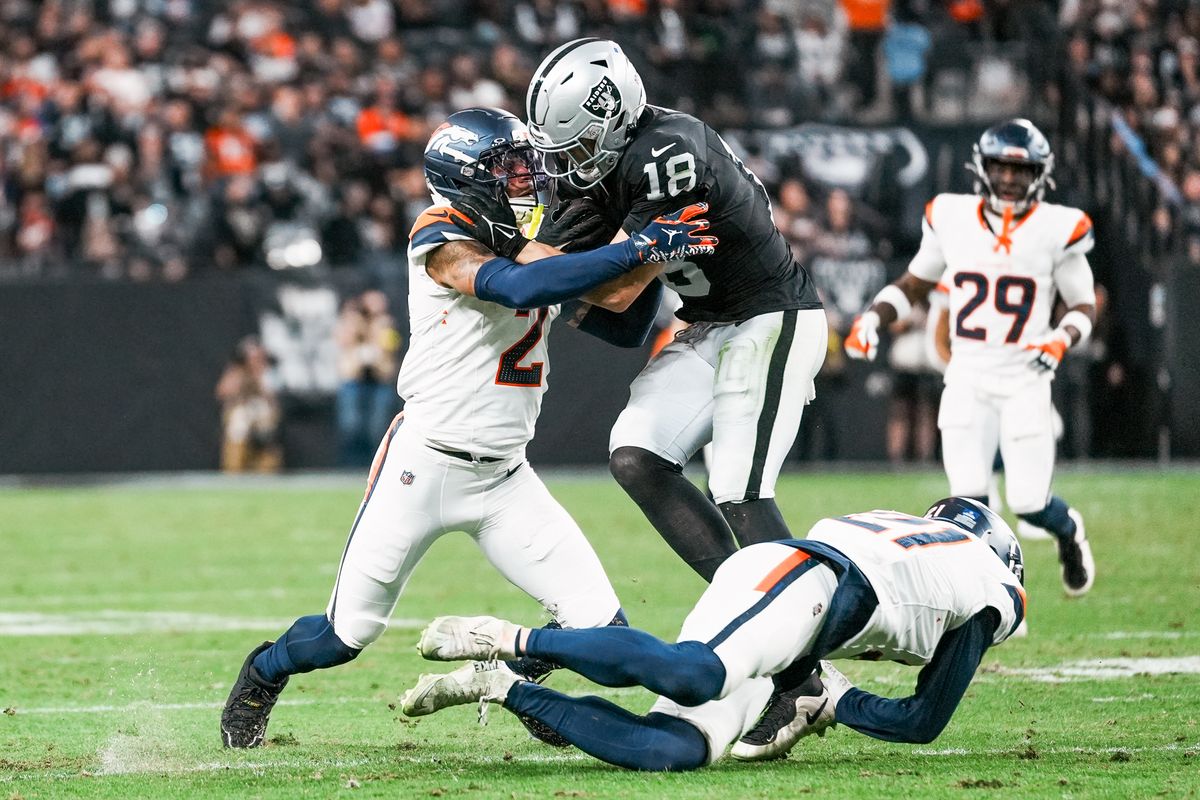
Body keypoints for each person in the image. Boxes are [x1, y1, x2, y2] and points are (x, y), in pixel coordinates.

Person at [220, 107, 718, 749]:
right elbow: (517, 286)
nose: (525, 176)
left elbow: (620, 323)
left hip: (508, 478)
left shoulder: (526, 236)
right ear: (465, 176)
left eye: (524, 162)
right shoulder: (441, 232)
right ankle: (263, 672)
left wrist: (651, 254)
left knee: (605, 630)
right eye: (507, 166)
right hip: (422, 467)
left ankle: (506, 680)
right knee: (344, 637)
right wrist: (639, 246)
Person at [503, 38, 827, 583]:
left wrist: (534, 262)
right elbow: (575, 267)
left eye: (579, 146)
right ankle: (746, 603)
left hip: (772, 316)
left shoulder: (667, 152)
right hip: (707, 322)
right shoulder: (609, 162)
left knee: (738, 489)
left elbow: (620, 291)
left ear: (616, 115)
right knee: (638, 458)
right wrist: (544, 259)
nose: (568, 164)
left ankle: (803, 651)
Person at [399, 497, 1026, 771]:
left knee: (676, 749)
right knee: (697, 673)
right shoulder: (989, 584)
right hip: (806, 584)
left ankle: (500, 685)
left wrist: (821, 691)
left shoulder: (923, 541)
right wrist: (838, 700)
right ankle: (505, 639)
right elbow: (921, 720)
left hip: (797, 604)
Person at [843, 118, 1096, 597]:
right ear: (982, 168)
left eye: (1019, 172)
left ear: (1039, 174)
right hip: (968, 374)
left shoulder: (1057, 227)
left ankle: (1069, 532)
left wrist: (1061, 338)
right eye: (1000, 168)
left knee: (1027, 501)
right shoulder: (951, 217)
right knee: (967, 500)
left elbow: (1084, 304)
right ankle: (989, 597)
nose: (1008, 180)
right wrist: (873, 317)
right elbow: (915, 283)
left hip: (1025, 376)